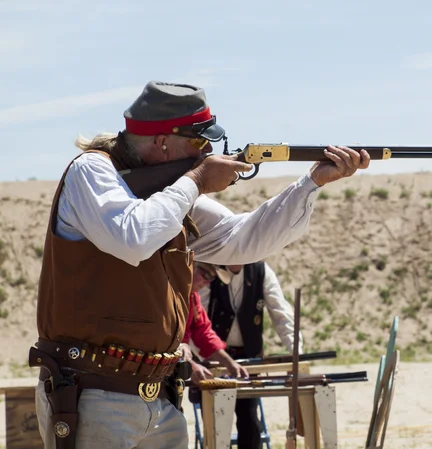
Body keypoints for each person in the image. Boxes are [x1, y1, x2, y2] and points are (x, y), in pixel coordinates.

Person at [31, 80, 370, 449]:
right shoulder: (92, 171)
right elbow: (132, 236)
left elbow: (242, 240)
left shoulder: (171, 195)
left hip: (159, 395)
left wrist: (311, 182)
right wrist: (195, 180)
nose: (207, 151)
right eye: (199, 142)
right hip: (93, 392)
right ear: (163, 142)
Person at [200, 262, 302, 449]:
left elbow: (281, 312)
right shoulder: (210, 269)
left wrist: (296, 351)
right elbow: (199, 319)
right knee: (215, 422)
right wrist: (203, 359)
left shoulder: (261, 270)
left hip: (248, 359)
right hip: (215, 358)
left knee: (249, 420)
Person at [180, 261, 249, 385]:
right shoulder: (169, 294)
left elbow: (203, 332)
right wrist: (190, 365)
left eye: (211, 278)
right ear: (190, 267)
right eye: (205, 275)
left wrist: (230, 363)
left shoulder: (192, 297)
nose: (207, 282)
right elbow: (166, 340)